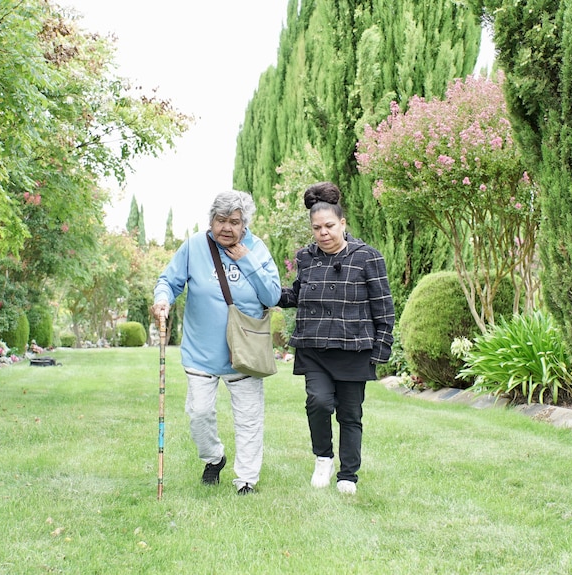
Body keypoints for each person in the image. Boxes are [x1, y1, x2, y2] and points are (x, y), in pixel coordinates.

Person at [153, 190, 280, 495]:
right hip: (201, 352)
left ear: (244, 224)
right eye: (220, 220)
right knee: (199, 413)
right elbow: (169, 281)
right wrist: (162, 300)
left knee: (249, 419)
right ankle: (214, 457)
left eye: (234, 222)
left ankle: (246, 480)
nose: (226, 228)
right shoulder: (195, 246)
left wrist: (247, 262)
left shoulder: (256, 249)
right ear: (210, 220)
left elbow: (272, 296)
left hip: (244, 353)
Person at [278, 182, 394, 495]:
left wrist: (380, 351)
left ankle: (348, 475)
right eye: (317, 228)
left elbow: (384, 308)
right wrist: (269, 293)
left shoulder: (367, 257)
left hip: (354, 348)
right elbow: (298, 294)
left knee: (350, 414)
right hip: (314, 346)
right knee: (317, 402)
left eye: (329, 226)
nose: (323, 233)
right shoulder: (306, 258)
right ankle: (323, 458)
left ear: (342, 223)